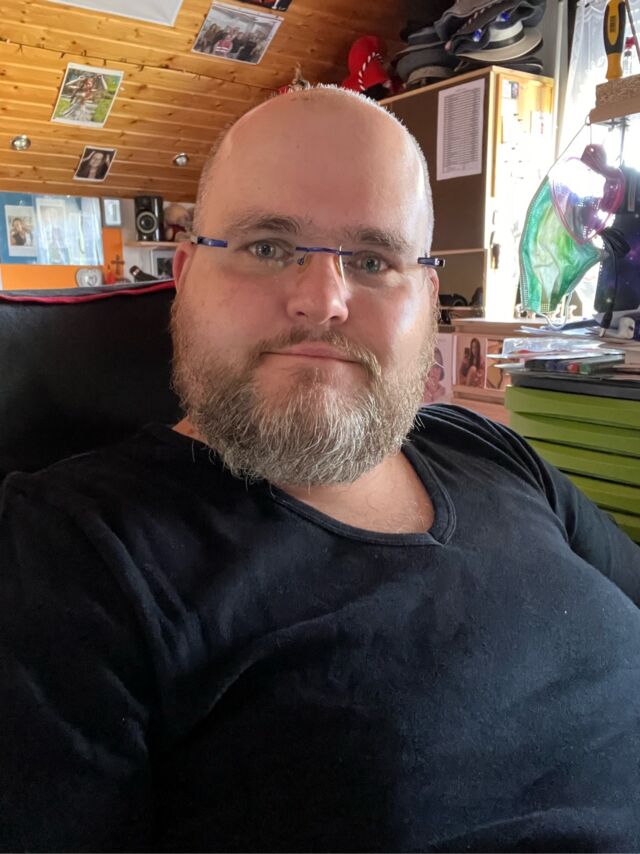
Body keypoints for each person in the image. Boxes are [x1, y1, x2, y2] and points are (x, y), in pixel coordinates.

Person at [1, 86, 639, 852]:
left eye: (372, 260)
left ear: (427, 296)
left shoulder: (487, 448)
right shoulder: (70, 551)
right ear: (185, 276)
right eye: (269, 247)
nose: (325, 299)